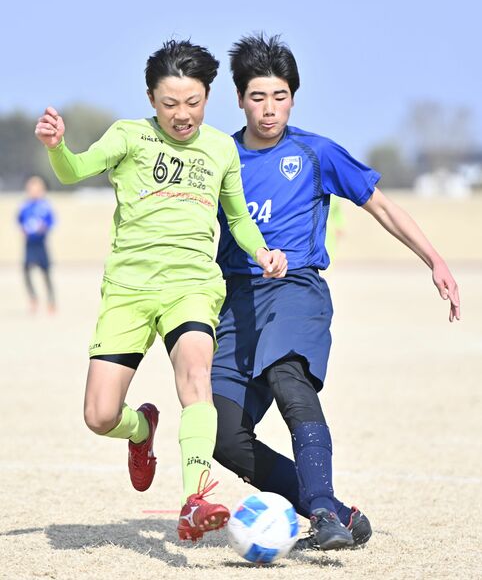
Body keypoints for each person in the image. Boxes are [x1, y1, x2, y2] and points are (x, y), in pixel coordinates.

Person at [211, 34, 460, 551]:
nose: (269, 109)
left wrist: (434, 259)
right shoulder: (219, 158)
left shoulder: (315, 152)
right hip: (235, 302)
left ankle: (322, 508)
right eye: (258, 97)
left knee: (288, 377)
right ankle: (340, 514)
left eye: (280, 96)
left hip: (295, 289)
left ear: (293, 98)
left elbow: (382, 206)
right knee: (223, 436)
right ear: (239, 99)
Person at [34, 39, 287, 543]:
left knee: (195, 373)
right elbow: (74, 170)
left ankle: (196, 498)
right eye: (170, 103)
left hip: (191, 285)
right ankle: (141, 429)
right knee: (99, 415)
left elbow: (238, 218)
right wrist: (57, 146)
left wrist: (262, 251)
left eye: (193, 102)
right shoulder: (128, 136)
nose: (182, 114)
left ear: (208, 96)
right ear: (151, 99)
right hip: (127, 290)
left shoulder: (220, 149)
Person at [17, 175, 56, 313]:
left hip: (41, 244)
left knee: (46, 273)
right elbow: (19, 220)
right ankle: (33, 298)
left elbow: (52, 222)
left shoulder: (45, 206)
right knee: (26, 270)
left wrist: (44, 228)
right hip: (29, 244)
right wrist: (23, 229)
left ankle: (51, 301)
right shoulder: (25, 206)